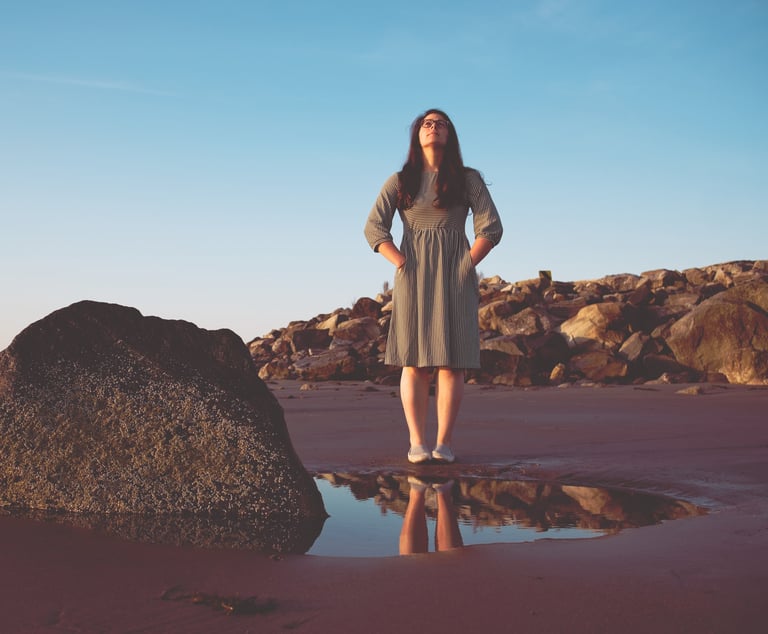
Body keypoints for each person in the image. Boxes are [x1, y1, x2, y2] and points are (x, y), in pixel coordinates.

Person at [364, 108, 503, 464]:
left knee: (452, 362)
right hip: (413, 274)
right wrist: (399, 261)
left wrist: (466, 263)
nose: (433, 128)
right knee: (413, 360)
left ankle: (443, 443)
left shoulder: (467, 179)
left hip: (455, 272)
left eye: (441, 124)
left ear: (449, 134)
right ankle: (416, 443)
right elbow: (374, 227)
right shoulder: (400, 180)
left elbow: (491, 226)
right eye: (427, 123)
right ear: (417, 134)